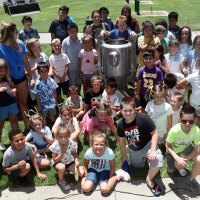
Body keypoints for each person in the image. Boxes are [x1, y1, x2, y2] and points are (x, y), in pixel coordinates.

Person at [117, 97, 163, 196]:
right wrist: (124, 155)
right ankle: (144, 159)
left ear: (135, 109)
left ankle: (149, 179)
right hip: (134, 148)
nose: (128, 113)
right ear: (120, 111)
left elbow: (154, 133)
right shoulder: (120, 124)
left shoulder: (144, 118)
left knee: (158, 159)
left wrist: (153, 150)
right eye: (125, 110)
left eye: (130, 110)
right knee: (137, 167)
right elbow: (121, 139)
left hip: (147, 145)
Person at [0, 22, 34, 128]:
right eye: (15, 31)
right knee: (12, 109)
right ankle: (15, 132)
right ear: (9, 33)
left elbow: (26, 62)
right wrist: (9, 81)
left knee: (23, 104)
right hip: (8, 81)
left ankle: (28, 125)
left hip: (21, 78)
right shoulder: (0, 48)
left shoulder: (20, 43)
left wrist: (31, 77)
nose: (17, 33)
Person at [166, 105, 200, 195]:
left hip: (186, 148)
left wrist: (184, 160)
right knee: (171, 170)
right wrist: (177, 158)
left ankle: (192, 179)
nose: (187, 123)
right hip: (173, 150)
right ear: (180, 118)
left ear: (195, 120)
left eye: (191, 121)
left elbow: (197, 150)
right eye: (184, 121)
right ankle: (177, 166)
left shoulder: (197, 130)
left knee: (199, 160)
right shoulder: (174, 130)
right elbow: (168, 145)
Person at [49, 126, 84, 191]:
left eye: (66, 136)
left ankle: (68, 169)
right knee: (62, 167)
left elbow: (74, 153)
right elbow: (55, 159)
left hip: (69, 161)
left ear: (69, 136)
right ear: (57, 137)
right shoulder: (55, 146)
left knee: (81, 174)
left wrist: (76, 160)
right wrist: (62, 152)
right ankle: (61, 180)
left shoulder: (71, 143)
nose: (63, 139)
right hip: (58, 163)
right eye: (61, 137)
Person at [145, 84, 173, 153]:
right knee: (151, 146)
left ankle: (162, 153)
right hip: (152, 131)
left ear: (164, 96)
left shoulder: (167, 107)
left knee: (161, 147)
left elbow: (170, 122)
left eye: (161, 96)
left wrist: (167, 132)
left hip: (162, 133)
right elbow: (147, 118)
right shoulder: (149, 104)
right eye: (157, 96)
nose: (159, 98)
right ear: (153, 96)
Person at [26, 38, 52, 109]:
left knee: (47, 100)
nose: (40, 47)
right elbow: (25, 73)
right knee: (38, 103)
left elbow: (49, 65)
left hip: (45, 82)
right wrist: (34, 68)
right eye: (38, 46)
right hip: (35, 85)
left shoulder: (43, 55)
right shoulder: (28, 59)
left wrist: (50, 73)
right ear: (32, 48)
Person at [0, 59, 19, 150]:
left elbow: (13, 87)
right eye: (1, 71)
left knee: (14, 121)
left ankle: (16, 140)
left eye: (4, 71)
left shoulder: (7, 77)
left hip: (11, 102)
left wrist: (13, 90)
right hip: (1, 106)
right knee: (1, 124)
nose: (2, 73)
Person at [177, 60, 200, 126]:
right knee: (193, 119)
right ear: (199, 65)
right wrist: (190, 88)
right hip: (194, 103)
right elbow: (180, 84)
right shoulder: (193, 76)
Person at [61, 23, 82, 89]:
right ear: (68, 32)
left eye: (75, 31)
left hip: (80, 66)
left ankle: (79, 96)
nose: (74, 33)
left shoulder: (81, 41)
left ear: (77, 31)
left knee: (79, 83)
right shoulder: (65, 41)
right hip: (70, 68)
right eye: (71, 32)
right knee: (72, 85)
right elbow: (63, 55)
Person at [49, 38, 70, 104]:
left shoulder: (64, 56)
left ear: (61, 46)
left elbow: (67, 66)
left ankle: (69, 104)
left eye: (58, 45)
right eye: (54, 46)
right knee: (58, 94)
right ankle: (60, 105)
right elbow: (53, 69)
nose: (57, 47)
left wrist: (63, 77)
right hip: (56, 80)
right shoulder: (51, 57)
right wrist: (59, 78)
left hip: (65, 79)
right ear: (52, 47)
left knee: (67, 92)